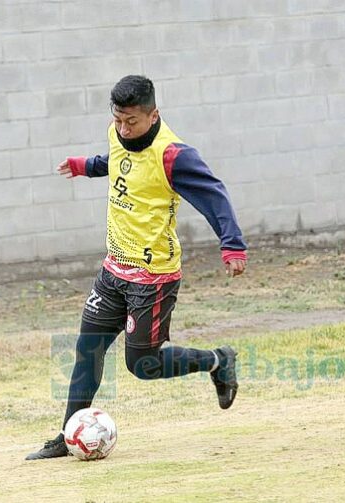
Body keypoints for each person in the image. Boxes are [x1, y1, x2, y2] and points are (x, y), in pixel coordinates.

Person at [26, 75, 247, 460]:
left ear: (153, 114)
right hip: (114, 271)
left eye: (132, 122)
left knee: (142, 364)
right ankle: (67, 436)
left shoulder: (174, 155)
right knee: (87, 349)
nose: (124, 129)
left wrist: (232, 245)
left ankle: (218, 360)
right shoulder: (117, 133)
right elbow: (120, 162)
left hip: (153, 277)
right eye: (118, 120)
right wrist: (87, 166)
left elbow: (215, 195)